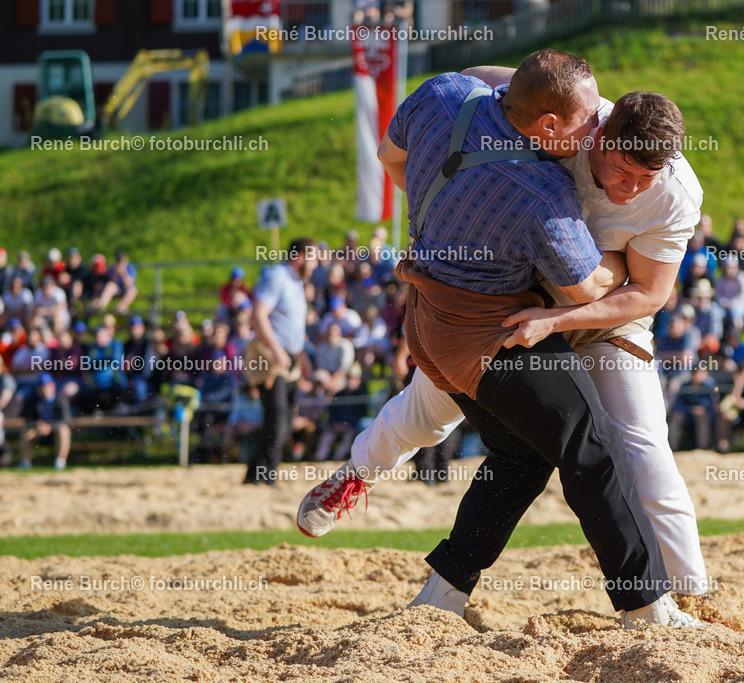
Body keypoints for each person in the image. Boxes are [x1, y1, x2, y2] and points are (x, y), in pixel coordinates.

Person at [300, 53, 702, 627]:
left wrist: (437, 214)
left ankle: (689, 592)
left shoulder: (446, 94)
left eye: (646, 178)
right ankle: (646, 605)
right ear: (552, 126)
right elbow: (585, 281)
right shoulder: (545, 184)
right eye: (617, 164)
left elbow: (646, 295)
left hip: (568, 319)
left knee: (637, 448)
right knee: (446, 421)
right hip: (500, 320)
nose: (630, 186)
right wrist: (604, 268)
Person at [243, 237, 319, 485]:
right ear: (299, 257)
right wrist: (276, 350)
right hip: (271, 358)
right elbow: (258, 314)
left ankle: (259, 472)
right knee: (277, 419)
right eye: (313, 257)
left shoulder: (296, 283)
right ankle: (263, 474)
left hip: (291, 361)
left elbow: (293, 327)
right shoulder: (277, 276)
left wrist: (302, 358)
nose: (316, 263)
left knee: (284, 422)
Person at [19, 373, 72, 470]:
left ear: (52, 386)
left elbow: (66, 420)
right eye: (41, 386)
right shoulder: (33, 399)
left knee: (64, 430)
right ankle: (25, 462)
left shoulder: (60, 399)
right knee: (26, 432)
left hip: (55, 433)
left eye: (46, 386)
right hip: (38, 432)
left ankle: (60, 462)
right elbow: (28, 418)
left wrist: (50, 427)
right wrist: (36, 427)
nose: (44, 389)